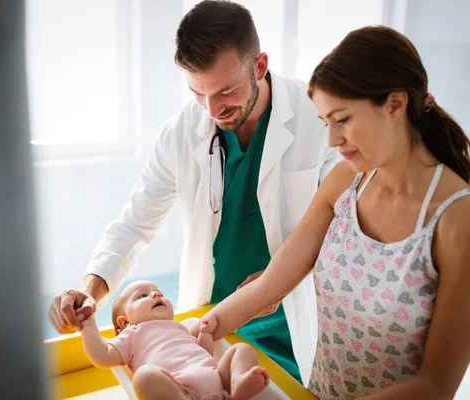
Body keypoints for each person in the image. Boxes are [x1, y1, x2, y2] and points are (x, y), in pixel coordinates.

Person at [195, 25, 470, 399]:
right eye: (326, 123)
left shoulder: (464, 223)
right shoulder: (346, 183)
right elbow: (270, 284)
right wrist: (200, 330)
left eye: (343, 120)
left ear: (395, 104)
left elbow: (434, 386)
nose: (332, 140)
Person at [47, 0, 339, 385]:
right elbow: (135, 223)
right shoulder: (181, 132)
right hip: (211, 320)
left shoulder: (320, 117)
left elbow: (345, 221)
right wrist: (90, 291)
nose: (212, 109)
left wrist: (276, 278)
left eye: (226, 91)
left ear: (260, 66)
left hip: (300, 317)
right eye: (198, 93)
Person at [80, 281, 269, 400]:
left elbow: (204, 353)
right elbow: (102, 356)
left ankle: (237, 384)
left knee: (241, 349)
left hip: (216, 377)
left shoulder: (181, 327)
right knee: (144, 377)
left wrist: (206, 334)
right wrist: (88, 326)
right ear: (124, 322)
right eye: (143, 296)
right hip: (179, 388)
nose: (156, 294)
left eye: (159, 292)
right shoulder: (131, 334)